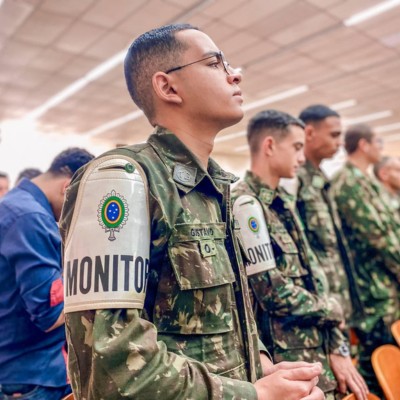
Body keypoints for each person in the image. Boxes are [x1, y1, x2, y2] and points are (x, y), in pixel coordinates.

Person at [59, 24, 324, 400]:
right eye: (215, 63)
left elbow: (213, 322)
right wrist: (255, 395)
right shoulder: (121, 180)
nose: (235, 74)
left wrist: (260, 367)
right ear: (168, 87)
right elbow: (114, 368)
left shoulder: (215, 190)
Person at [232, 110, 368, 400]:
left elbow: (316, 278)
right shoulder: (244, 204)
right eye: (296, 147)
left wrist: (337, 343)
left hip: (317, 352)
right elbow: (271, 291)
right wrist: (331, 309)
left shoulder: (284, 203)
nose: (302, 157)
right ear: (270, 146)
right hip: (287, 362)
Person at [0, 148, 94, 400]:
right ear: (67, 188)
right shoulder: (30, 218)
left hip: (27, 368)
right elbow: (49, 314)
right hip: (31, 375)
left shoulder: (18, 206)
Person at [331, 124, 400, 397]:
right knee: (376, 366)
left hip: (386, 287)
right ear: (364, 144)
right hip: (371, 292)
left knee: (390, 362)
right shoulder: (348, 182)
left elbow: (392, 230)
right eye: (378, 142)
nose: (381, 148)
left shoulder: (366, 181)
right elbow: (379, 238)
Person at [295, 104, 364, 331]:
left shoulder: (321, 179)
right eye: (334, 135)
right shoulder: (294, 180)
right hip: (317, 308)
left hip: (337, 301)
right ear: (309, 133)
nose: (340, 143)